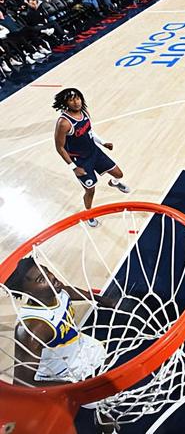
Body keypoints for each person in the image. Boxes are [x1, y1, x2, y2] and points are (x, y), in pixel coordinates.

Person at [2, 256, 117, 433]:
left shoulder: (56, 290)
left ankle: (102, 411)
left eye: (46, 271)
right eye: (41, 279)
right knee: (97, 397)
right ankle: (103, 424)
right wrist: (66, 387)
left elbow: (69, 292)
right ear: (27, 292)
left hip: (79, 347)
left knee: (108, 374)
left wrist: (101, 300)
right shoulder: (33, 328)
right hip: (62, 372)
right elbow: (22, 382)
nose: (51, 277)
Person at [53, 88, 130, 227]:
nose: (76, 102)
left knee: (119, 174)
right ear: (66, 103)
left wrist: (103, 142)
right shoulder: (64, 123)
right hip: (80, 161)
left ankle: (114, 183)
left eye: (78, 98)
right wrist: (74, 167)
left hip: (95, 152)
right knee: (90, 190)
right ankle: (88, 213)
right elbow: (60, 148)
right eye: (71, 100)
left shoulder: (84, 112)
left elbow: (89, 131)